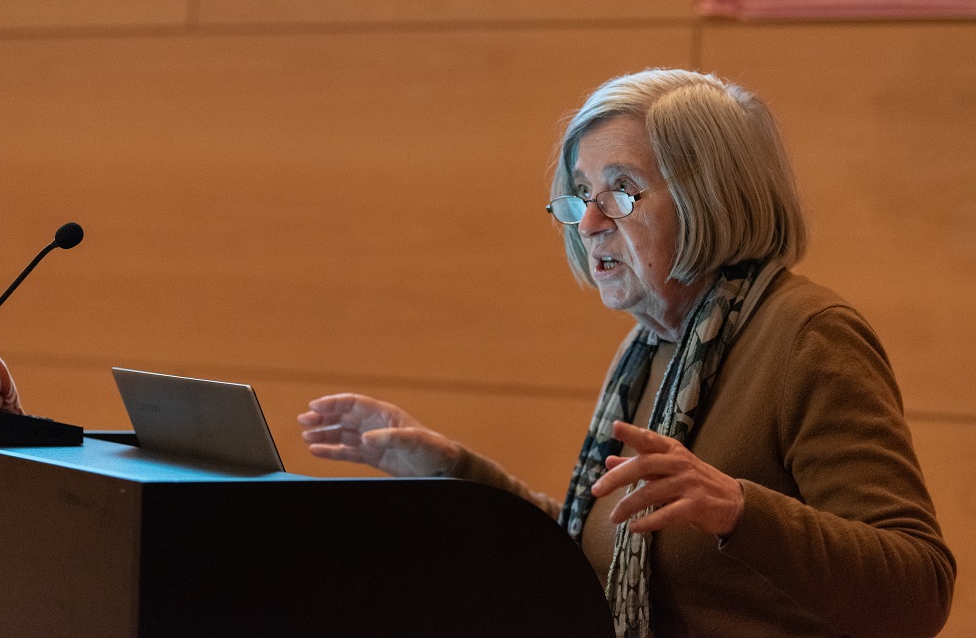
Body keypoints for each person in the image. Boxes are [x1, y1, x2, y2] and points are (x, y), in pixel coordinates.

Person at [297, 69, 955, 637]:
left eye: (622, 190)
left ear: (713, 196)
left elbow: (920, 588)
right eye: (582, 193)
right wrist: (450, 469)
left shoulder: (807, 336)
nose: (588, 222)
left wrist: (737, 509)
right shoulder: (653, 351)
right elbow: (599, 555)